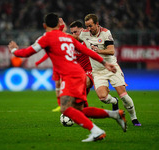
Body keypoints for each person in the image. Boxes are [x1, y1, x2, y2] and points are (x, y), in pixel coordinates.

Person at [8, 12, 127, 142]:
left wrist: (14, 50)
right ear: (58, 25)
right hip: (78, 73)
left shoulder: (46, 38)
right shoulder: (68, 38)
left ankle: (96, 131)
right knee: (80, 110)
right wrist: (105, 63)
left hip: (70, 76)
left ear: (44, 25)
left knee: (65, 108)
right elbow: (87, 51)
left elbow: (26, 53)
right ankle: (115, 114)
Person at [79, 14, 141, 126]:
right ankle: (114, 101)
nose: (89, 28)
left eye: (91, 26)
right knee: (102, 97)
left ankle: (134, 118)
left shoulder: (105, 33)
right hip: (97, 72)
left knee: (124, 96)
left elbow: (111, 51)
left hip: (111, 67)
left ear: (97, 24)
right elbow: (73, 37)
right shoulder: (84, 34)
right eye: (87, 26)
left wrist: (98, 51)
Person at [35, 20, 93, 112]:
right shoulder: (71, 42)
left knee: (83, 86)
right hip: (77, 72)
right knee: (78, 96)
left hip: (89, 71)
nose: (74, 34)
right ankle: (82, 111)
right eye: (72, 32)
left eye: (76, 32)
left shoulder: (88, 39)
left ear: (82, 30)